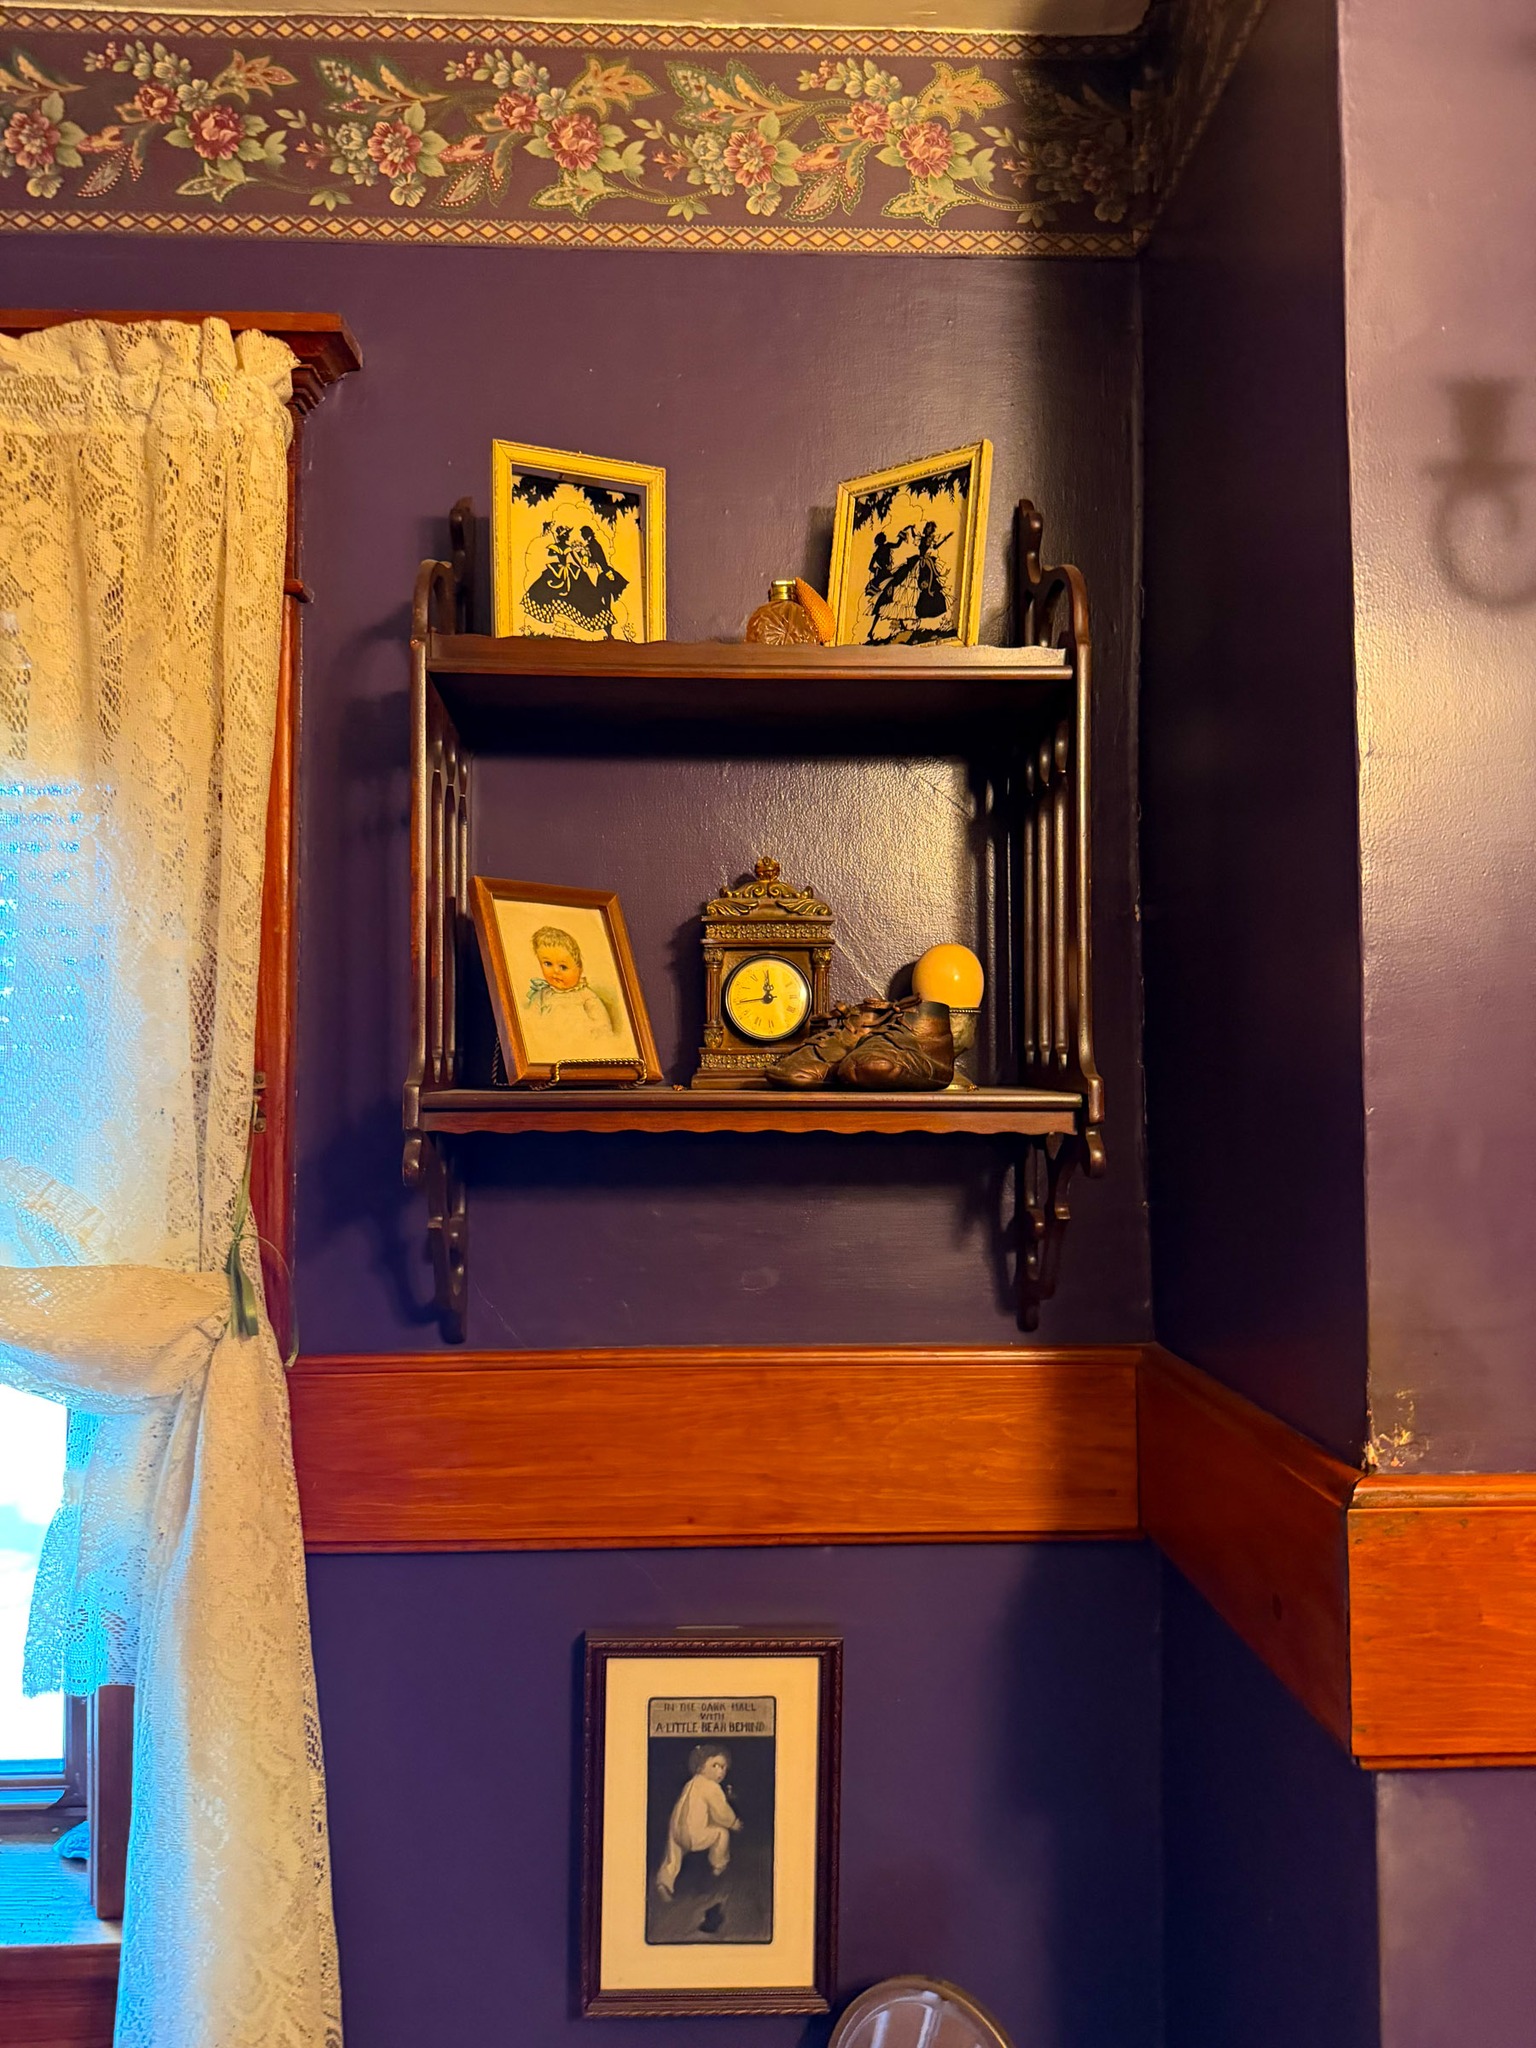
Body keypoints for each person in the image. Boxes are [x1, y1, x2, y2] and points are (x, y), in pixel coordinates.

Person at [655, 1745, 742, 1899]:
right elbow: (721, 1812)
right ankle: (718, 1866)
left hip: (676, 1832)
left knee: (673, 1856)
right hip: (693, 1835)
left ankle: (664, 1881)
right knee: (722, 1833)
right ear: (700, 1766)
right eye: (715, 1765)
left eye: (723, 1767)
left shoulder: (690, 1784)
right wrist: (733, 1822)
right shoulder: (711, 1786)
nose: (720, 1771)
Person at [522, 925, 620, 1049]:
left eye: (563, 967)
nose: (555, 971)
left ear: (579, 969)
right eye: (548, 964)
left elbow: (603, 1030)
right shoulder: (541, 995)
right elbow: (529, 1025)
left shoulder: (586, 997)